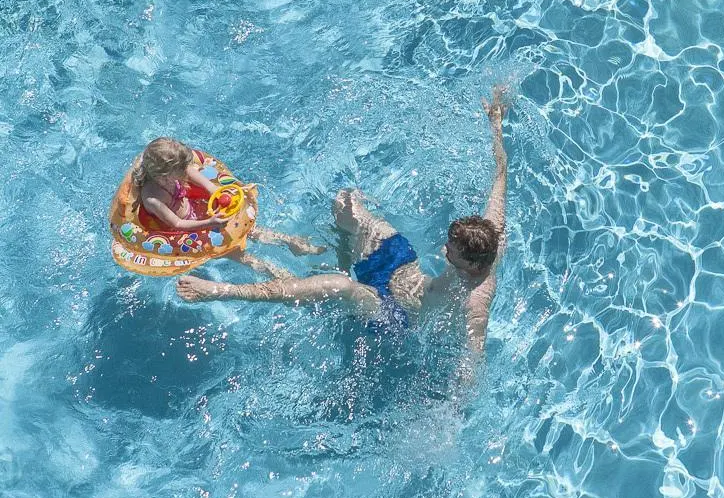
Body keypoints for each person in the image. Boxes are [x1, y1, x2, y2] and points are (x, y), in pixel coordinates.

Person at [176, 88, 510, 354]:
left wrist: (448, 422)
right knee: (345, 203)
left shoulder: (476, 300)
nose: (443, 249)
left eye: (450, 251)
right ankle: (341, 260)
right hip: (404, 271)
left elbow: (472, 358)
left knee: (339, 288)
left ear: (469, 264)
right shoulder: (492, 234)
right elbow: (500, 175)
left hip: (393, 314)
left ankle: (222, 290)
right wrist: (495, 125)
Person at [134, 136, 323, 255]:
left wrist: (215, 192)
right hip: (189, 230)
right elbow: (177, 224)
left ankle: (290, 241)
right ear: (164, 174)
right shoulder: (153, 199)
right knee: (235, 251)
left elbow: (195, 174)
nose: (186, 171)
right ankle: (271, 271)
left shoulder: (175, 173)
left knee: (248, 230)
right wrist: (208, 223)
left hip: (198, 210)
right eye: (181, 169)